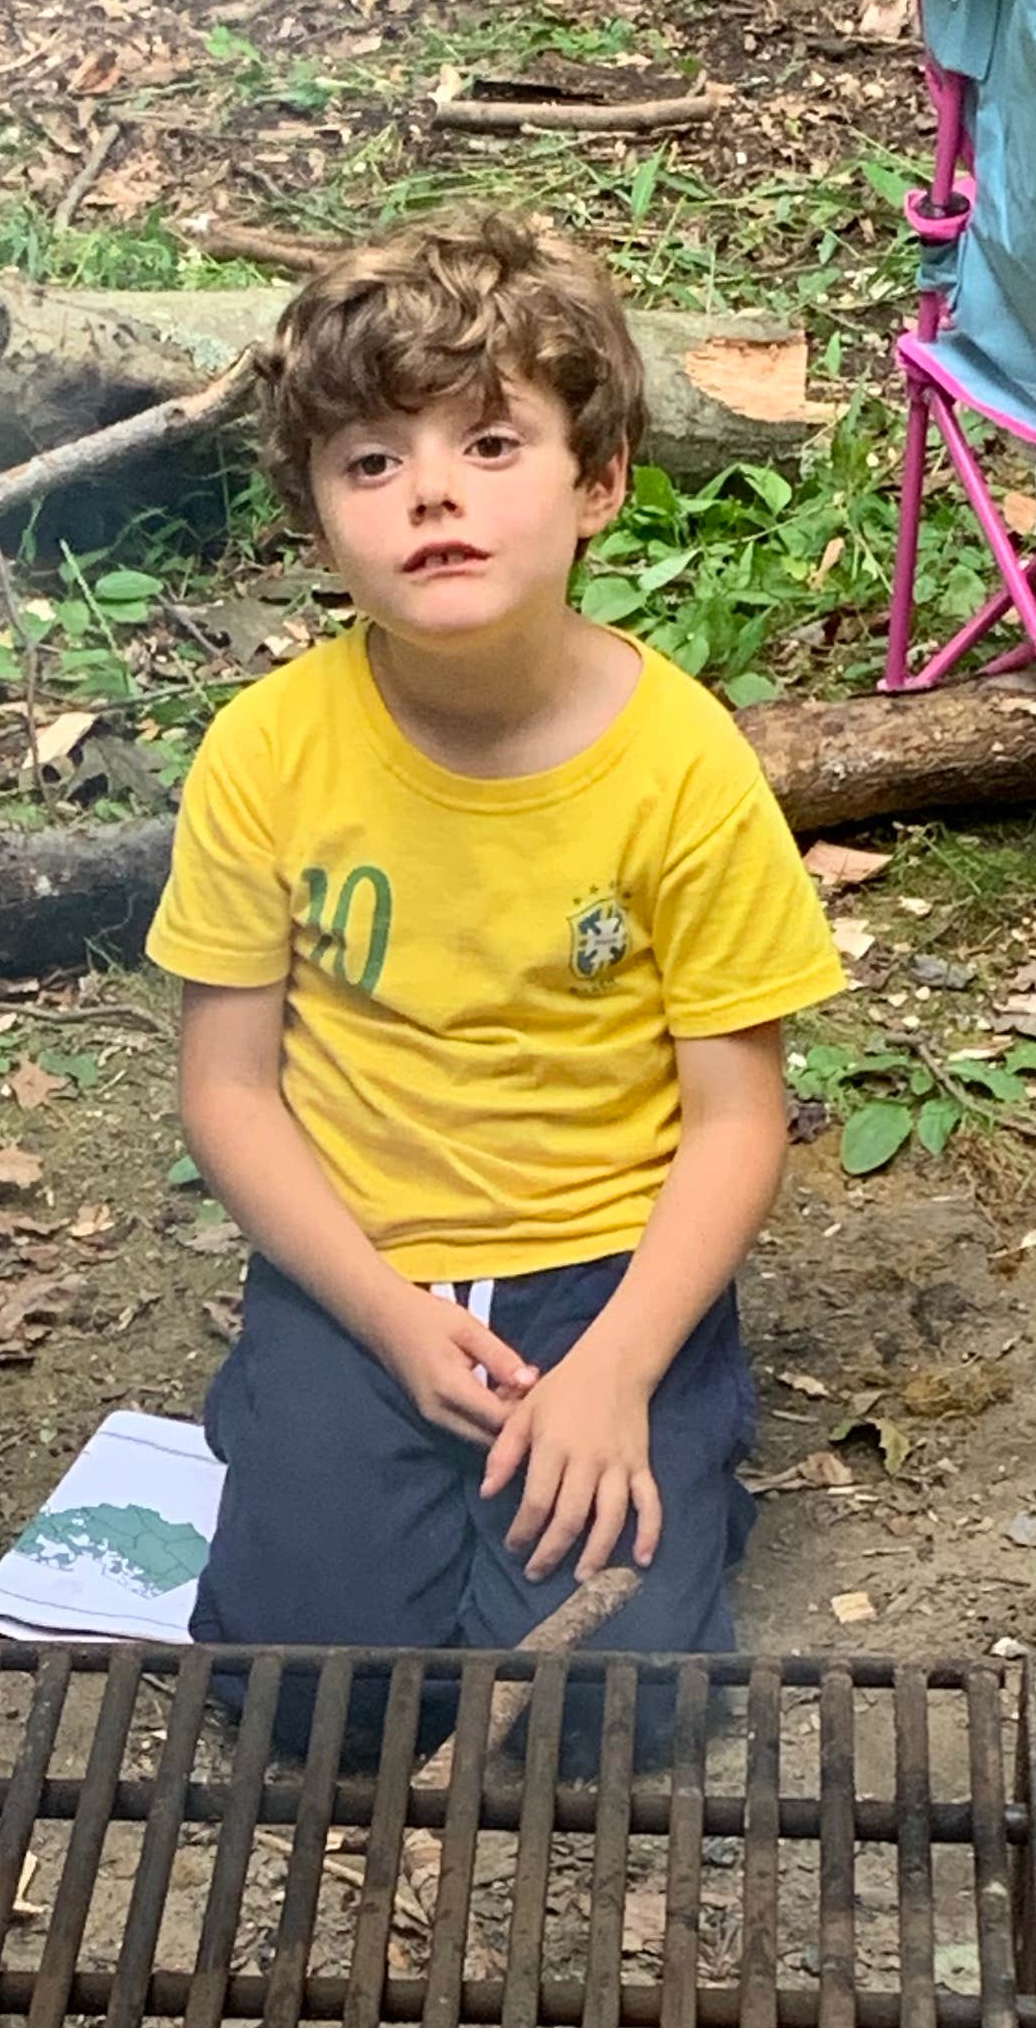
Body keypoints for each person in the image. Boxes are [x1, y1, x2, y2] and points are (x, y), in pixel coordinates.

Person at [148, 209, 844, 1733]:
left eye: (489, 444)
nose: (433, 496)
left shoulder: (681, 765)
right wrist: (390, 1320)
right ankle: (300, 1427)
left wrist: (614, 1371)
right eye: (373, 462)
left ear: (597, 485)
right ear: (319, 514)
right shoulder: (268, 752)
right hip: (360, 1265)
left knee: (607, 1714)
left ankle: (679, 1430)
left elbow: (737, 1120)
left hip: (603, 1269)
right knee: (303, 1705)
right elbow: (229, 1088)